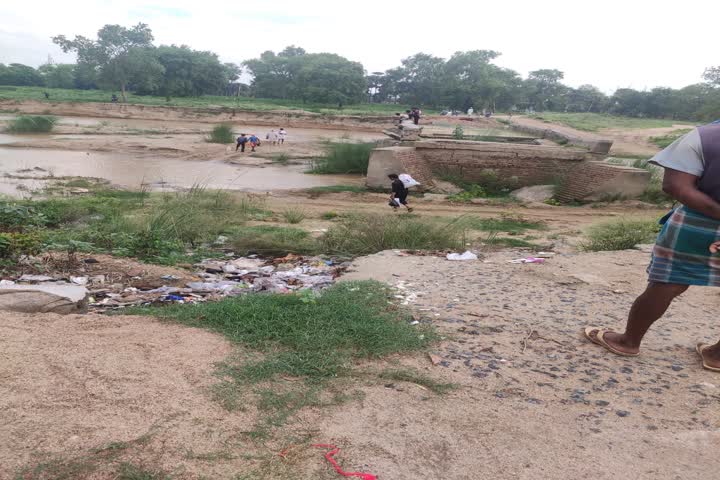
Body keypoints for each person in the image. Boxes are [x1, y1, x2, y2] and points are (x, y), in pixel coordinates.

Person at [584, 123, 720, 371]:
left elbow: (675, 186)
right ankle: (717, 356)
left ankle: (628, 341)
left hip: (700, 221)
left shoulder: (705, 136)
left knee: (669, 282)